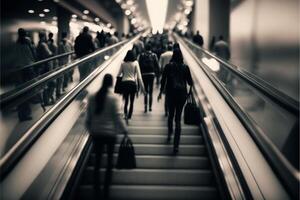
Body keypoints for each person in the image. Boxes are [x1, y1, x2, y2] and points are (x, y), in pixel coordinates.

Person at [86, 74, 127, 199]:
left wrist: (91, 130)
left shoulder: (92, 97)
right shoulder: (114, 98)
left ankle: (96, 188)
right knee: (109, 162)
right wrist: (125, 130)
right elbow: (118, 117)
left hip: (96, 133)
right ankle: (106, 190)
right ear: (111, 83)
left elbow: (89, 118)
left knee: (97, 162)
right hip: (110, 134)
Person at [158, 48, 193, 154]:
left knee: (170, 115)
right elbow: (190, 82)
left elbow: (163, 80)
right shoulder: (185, 67)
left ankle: (169, 134)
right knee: (178, 119)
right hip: (182, 95)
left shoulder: (168, 66)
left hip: (170, 94)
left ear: (173, 55)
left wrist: (160, 92)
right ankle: (176, 146)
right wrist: (188, 93)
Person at [14, 28, 36, 121]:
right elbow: (32, 56)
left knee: (21, 92)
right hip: (27, 69)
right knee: (27, 91)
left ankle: (22, 113)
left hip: (18, 70)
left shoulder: (16, 44)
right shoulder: (27, 44)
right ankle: (25, 114)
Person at [118, 50, 145, 120]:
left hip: (124, 83)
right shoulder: (135, 63)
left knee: (126, 100)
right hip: (132, 83)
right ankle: (129, 115)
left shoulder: (123, 63)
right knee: (132, 101)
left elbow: (118, 74)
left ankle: (125, 114)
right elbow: (139, 77)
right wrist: (142, 88)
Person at [138, 44, 160, 113]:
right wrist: (157, 75)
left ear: (145, 48)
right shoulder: (154, 55)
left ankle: (145, 106)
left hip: (144, 74)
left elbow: (139, 65)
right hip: (151, 74)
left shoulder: (141, 55)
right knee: (150, 92)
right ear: (151, 48)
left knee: (145, 91)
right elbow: (157, 66)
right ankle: (150, 107)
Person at [36, 31, 55, 105]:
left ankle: (47, 100)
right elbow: (49, 54)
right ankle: (47, 101)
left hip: (41, 66)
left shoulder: (38, 44)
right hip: (46, 66)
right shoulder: (43, 44)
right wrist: (54, 53)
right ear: (44, 36)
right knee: (51, 83)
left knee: (45, 85)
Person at [159, 44, 173, 116]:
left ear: (167, 48)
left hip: (165, 74)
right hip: (173, 76)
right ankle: (171, 110)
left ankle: (166, 111)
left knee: (166, 96)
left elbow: (160, 66)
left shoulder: (163, 55)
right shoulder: (174, 54)